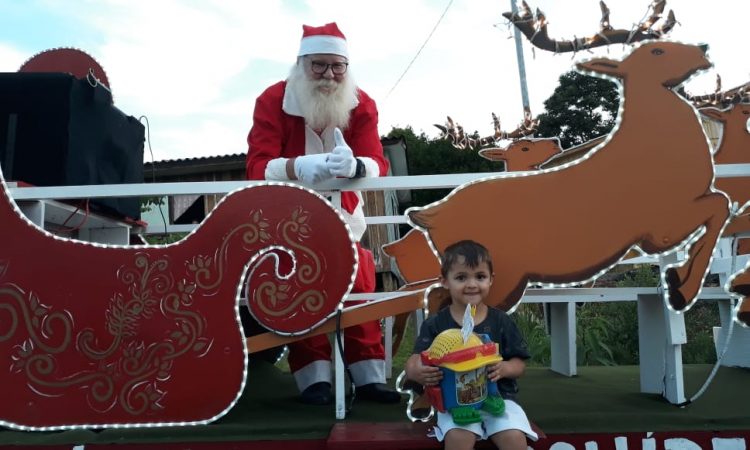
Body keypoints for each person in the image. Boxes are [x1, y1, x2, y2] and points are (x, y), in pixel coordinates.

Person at [245, 21, 400, 405]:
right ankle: (314, 378)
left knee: (361, 279)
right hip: (288, 221)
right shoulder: (272, 100)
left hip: (344, 217)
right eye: (319, 65)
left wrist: (356, 168)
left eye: (337, 66)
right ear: (301, 63)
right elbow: (257, 166)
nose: (329, 75)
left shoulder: (361, 103)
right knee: (303, 288)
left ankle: (368, 376)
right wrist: (299, 168)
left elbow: (378, 162)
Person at [405, 240, 538, 450]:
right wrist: (417, 371)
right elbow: (414, 359)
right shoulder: (436, 323)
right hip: (454, 403)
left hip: (500, 397)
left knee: (513, 437)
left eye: (480, 276)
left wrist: (505, 368)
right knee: (459, 437)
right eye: (461, 277)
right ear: (445, 281)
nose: (472, 284)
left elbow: (519, 364)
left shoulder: (500, 321)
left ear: (490, 280)